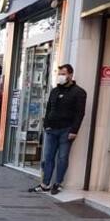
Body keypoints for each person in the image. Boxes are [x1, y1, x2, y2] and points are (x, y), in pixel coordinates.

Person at [29, 64, 86, 195]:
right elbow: (49, 108)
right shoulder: (54, 91)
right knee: (48, 157)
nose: (61, 76)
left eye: (63, 74)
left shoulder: (79, 92)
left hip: (66, 130)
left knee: (62, 158)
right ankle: (45, 184)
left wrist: (74, 130)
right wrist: (46, 124)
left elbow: (80, 113)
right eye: (59, 73)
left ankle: (58, 183)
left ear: (70, 75)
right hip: (51, 129)